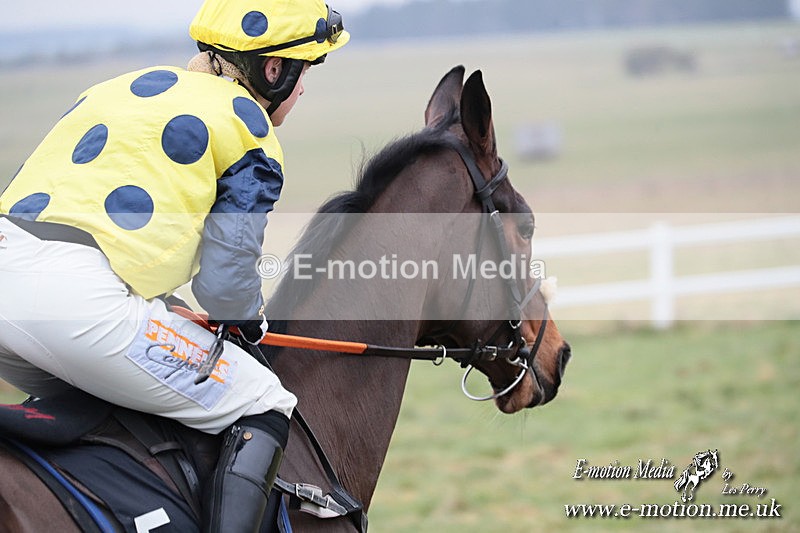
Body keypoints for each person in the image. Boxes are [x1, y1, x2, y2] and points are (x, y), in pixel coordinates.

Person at [0, 0, 349, 530]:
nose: (303, 90)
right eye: (305, 72)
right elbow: (227, 287)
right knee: (263, 398)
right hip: (76, 311)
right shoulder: (249, 126)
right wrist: (248, 323)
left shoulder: (117, 86)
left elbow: (78, 223)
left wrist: (165, 308)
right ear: (273, 70)